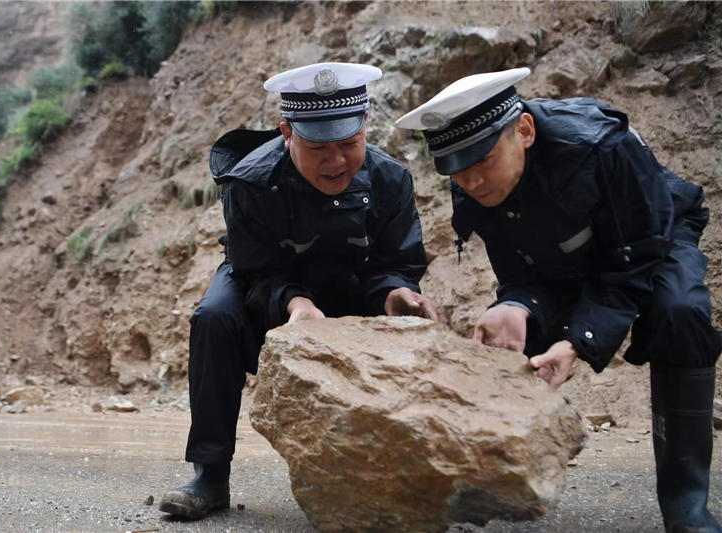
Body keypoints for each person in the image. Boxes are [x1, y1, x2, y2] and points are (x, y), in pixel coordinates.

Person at [395, 67, 722, 533]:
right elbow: (522, 272)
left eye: (483, 161)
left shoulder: (600, 146)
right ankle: (503, 482)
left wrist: (575, 342)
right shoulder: (471, 175)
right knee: (518, 336)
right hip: (566, 256)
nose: (471, 181)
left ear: (524, 131)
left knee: (679, 311)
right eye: (457, 171)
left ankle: (687, 506)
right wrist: (518, 306)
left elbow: (633, 261)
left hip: (650, 237)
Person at [160, 62, 437, 520]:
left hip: (351, 291)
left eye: (348, 144)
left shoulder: (391, 180)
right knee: (214, 318)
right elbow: (253, 269)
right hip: (265, 287)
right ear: (287, 132)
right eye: (319, 148)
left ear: (366, 124)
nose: (336, 161)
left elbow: (396, 264)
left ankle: (390, 471)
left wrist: (395, 293)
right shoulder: (248, 181)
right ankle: (210, 476)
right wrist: (296, 302)